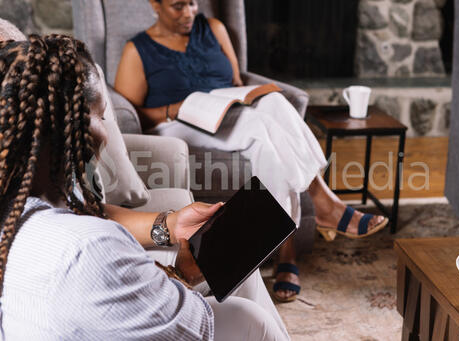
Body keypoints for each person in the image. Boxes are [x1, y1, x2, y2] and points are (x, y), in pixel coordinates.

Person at [0, 34, 290, 340]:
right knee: (248, 318)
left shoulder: (21, 192)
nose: (108, 134)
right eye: (101, 116)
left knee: (236, 271)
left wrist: (170, 224)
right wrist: (177, 278)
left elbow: (88, 211)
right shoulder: (91, 249)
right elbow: (193, 328)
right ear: (70, 125)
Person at [114, 0, 389, 302]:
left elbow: (236, 81)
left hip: (226, 113)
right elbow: (131, 114)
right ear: (155, 4)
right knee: (259, 128)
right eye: (178, 5)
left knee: (270, 118)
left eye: (193, 3)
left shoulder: (214, 29)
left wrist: (236, 99)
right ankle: (313, 218)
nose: (189, 12)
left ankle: (286, 247)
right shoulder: (136, 50)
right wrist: (174, 108)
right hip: (176, 124)